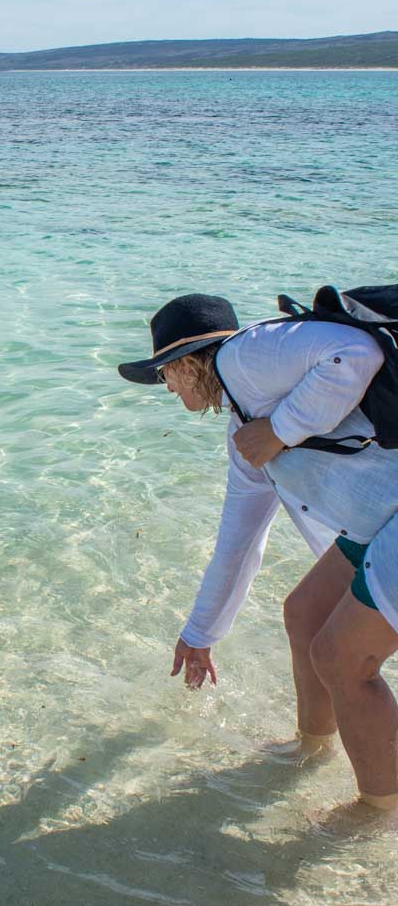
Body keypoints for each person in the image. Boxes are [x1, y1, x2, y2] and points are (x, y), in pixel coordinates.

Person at [118, 293, 398, 811]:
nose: (167, 388)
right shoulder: (244, 431)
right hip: (380, 524)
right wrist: (200, 633)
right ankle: (312, 748)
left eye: (165, 375)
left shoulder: (244, 356)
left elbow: (356, 353)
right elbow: (238, 541)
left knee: (342, 659)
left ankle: (378, 812)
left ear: (185, 363)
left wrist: (279, 430)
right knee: (306, 615)